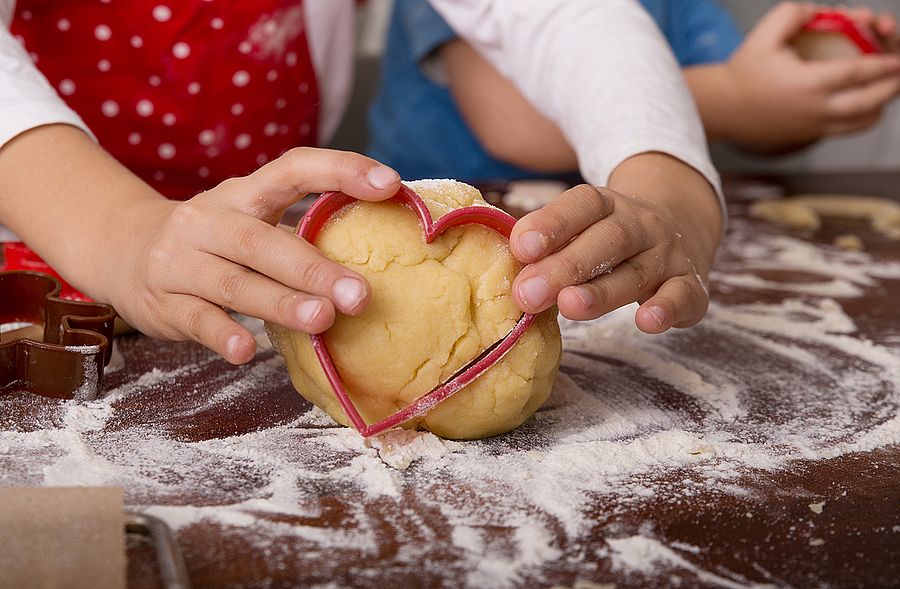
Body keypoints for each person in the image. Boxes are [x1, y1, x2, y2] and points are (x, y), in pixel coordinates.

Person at [0, 0, 723, 366]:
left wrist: (667, 185)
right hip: (39, 254)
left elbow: (562, 13)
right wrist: (120, 233)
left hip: (273, 265)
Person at [368, 1, 900, 181]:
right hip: (448, 213)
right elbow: (518, 129)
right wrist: (739, 98)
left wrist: (805, 90)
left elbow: (751, 121)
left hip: (615, 215)